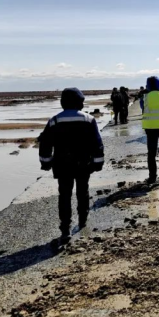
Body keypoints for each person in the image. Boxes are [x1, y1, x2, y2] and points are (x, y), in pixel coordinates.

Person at [38, 88, 104, 240]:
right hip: (83, 164)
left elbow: (45, 144)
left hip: (62, 165)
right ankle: (83, 220)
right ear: (80, 102)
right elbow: (97, 143)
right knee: (83, 192)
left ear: (63, 103)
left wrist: (46, 163)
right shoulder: (88, 119)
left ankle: (65, 228)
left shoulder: (54, 121)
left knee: (64, 195)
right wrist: (98, 162)